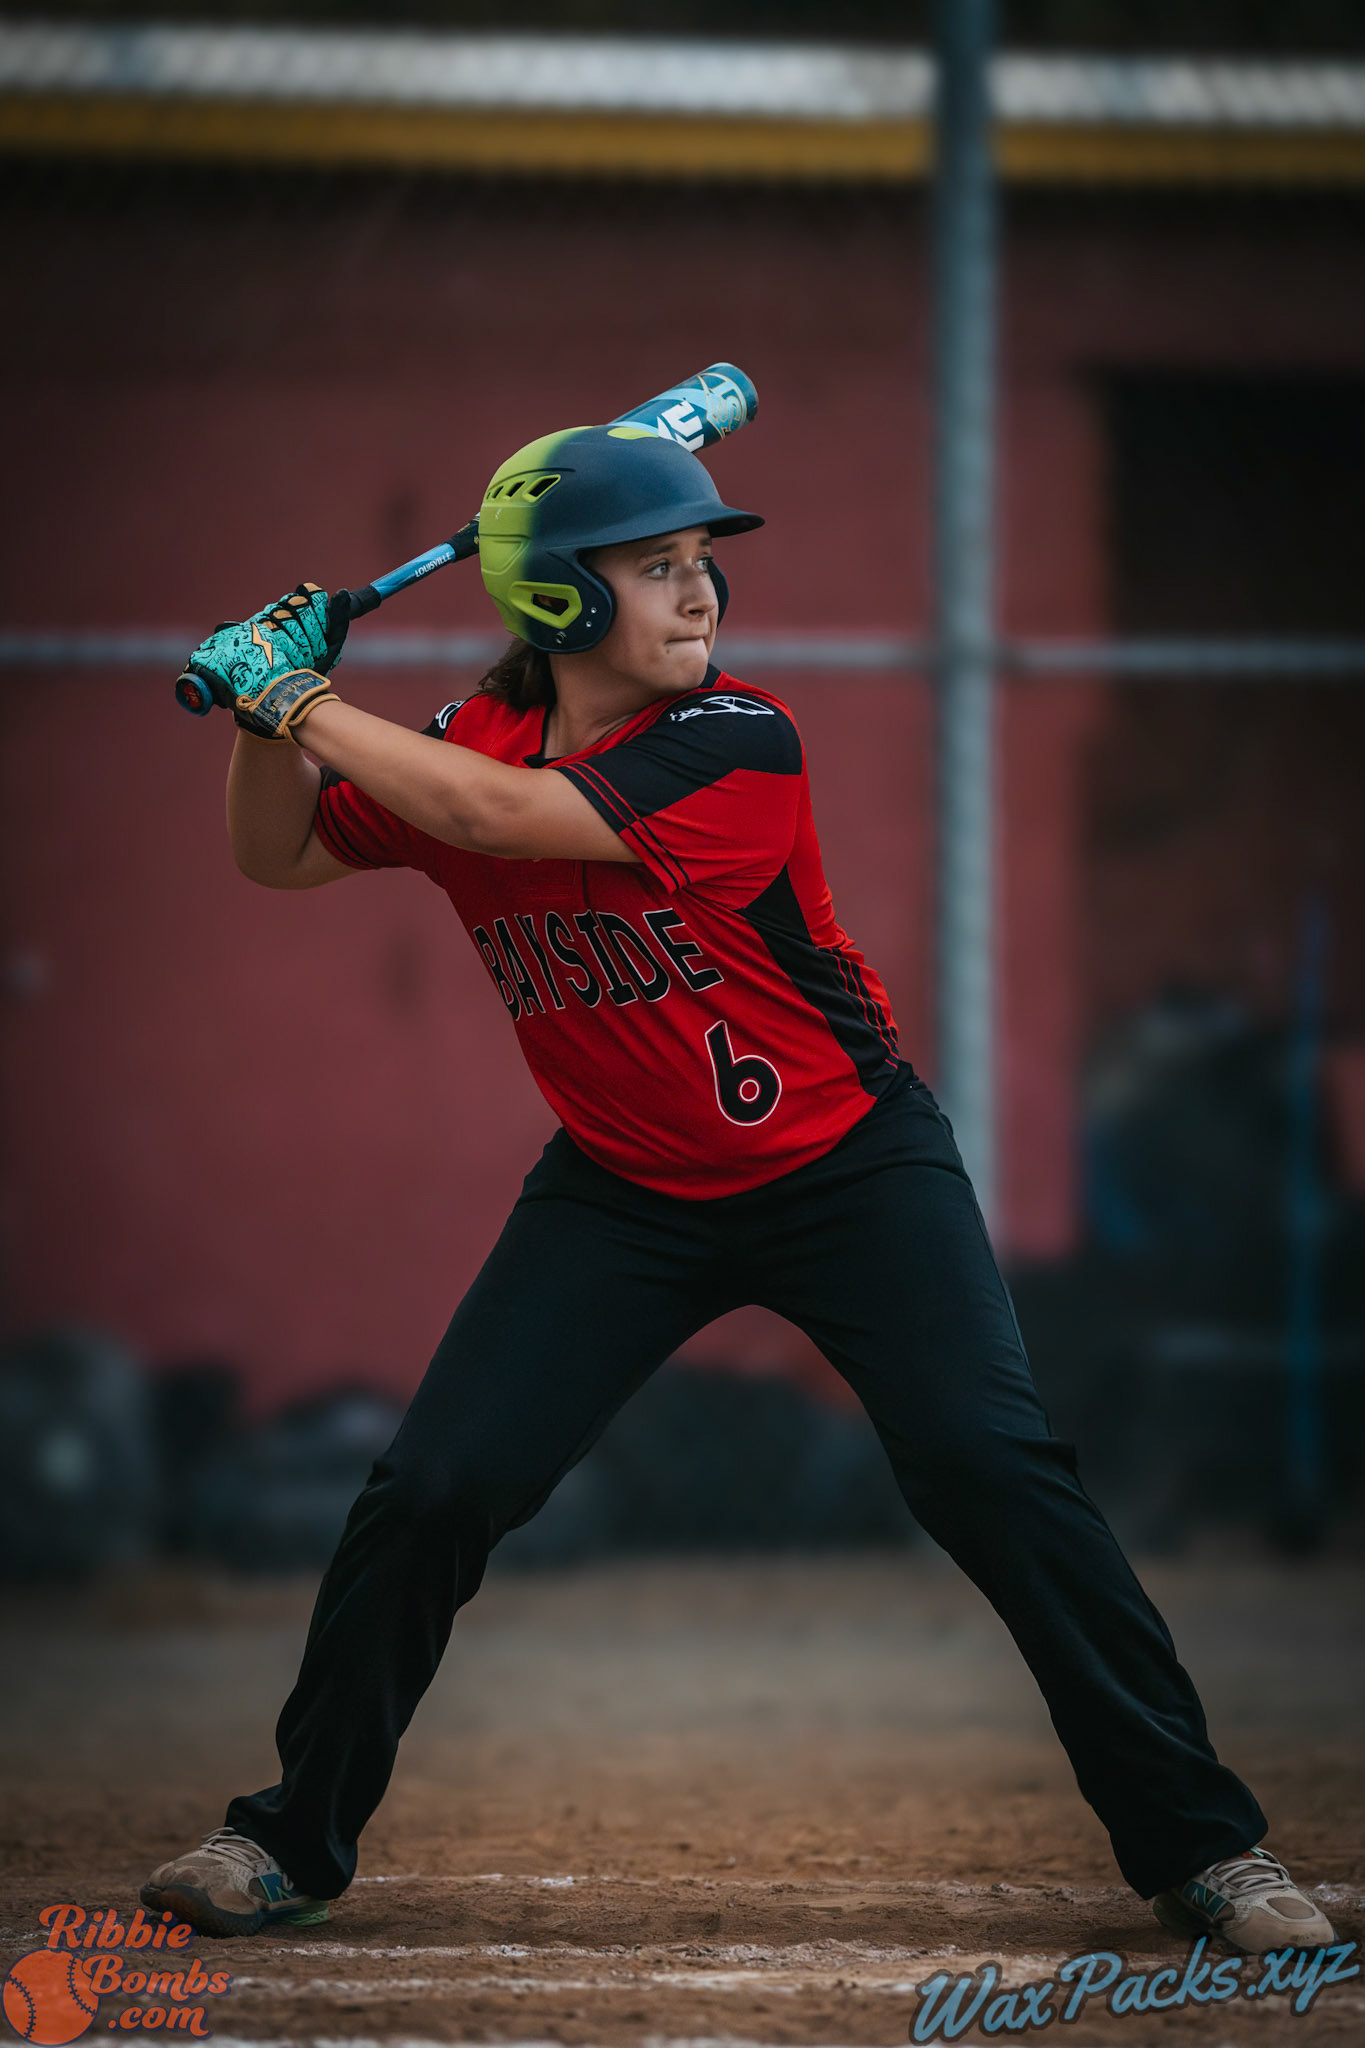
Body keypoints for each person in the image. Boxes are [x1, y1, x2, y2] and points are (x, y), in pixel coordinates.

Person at [142, 424, 1332, 1958]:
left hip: (847, 1166)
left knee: (991, 1470)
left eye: (702, 560)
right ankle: (284, 1841)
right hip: (622, 1187)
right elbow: (280, 857)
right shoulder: (469, 743)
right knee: (432, 1488)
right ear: (562, 603)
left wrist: (300, 692)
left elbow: (497, 824)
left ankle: (1206, 1850)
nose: (702, 592)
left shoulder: (735, 740)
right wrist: (262, 722)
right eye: (656, 567)